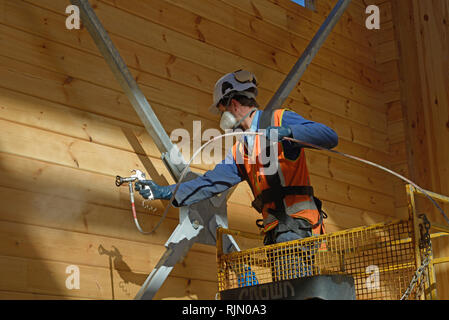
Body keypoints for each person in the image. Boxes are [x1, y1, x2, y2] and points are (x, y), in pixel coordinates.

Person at [135, 70, 338, 248]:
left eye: (221, 111)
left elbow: (329, 136)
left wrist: (289, 132)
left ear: (233, 104)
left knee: (295, 292)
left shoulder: (279, 119)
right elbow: (210, 183)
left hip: (300, 231)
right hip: (277, 234)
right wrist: (166, 192)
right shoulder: (241, 150)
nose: (221, 116)